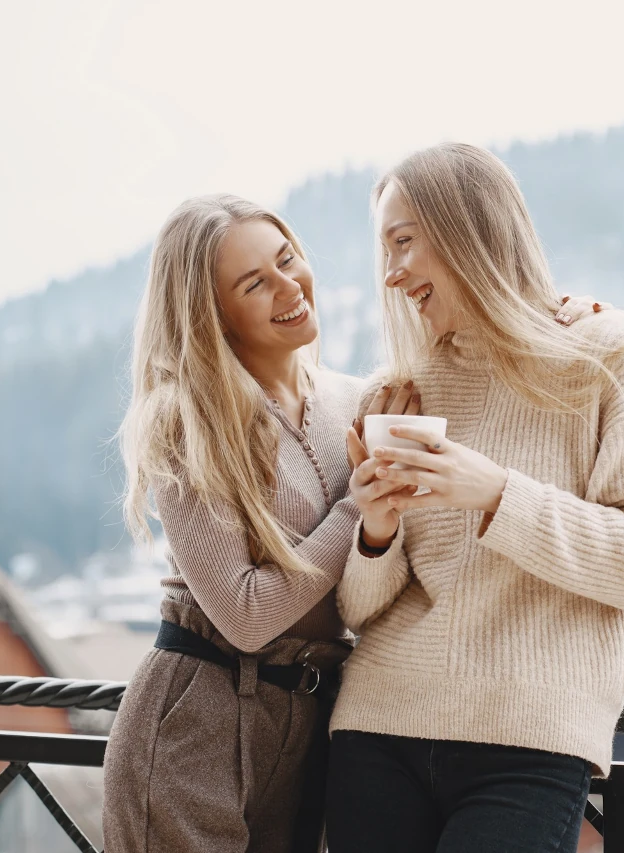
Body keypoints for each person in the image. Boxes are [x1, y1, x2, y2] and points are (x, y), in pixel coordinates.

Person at [326, 143, 624, 853]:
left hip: (528, 741)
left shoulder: (607, 355)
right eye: (384, 252)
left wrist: (495, 494)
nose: (392, 273)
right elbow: (359, 608)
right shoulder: (397, 393)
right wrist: (376, 527)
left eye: (404, 242)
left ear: (468, 228)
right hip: (378, 726)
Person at [102, 194, 419, 852]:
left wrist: (564, 321)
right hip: (200, 720)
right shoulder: (187, 421)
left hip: (315, 724)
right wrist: (356, 507)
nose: (289, 286)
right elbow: (243, 612)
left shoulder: (355, 401)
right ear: (212, 313)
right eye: (255, 283)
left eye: (287, 259)